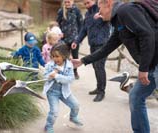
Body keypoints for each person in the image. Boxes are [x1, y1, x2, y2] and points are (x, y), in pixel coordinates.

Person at [72, 0, 158, 132]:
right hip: (151, 63)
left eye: (100, 10)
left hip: (153, 63)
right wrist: (83, 61)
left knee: (136, 96)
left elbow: (147, 35)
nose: (99, 14)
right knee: (135, 96)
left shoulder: (126, 11)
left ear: (109, 3)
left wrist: (143, 68)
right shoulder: (118, 22)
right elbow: (107, 48)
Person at [71, 0, 110, 102]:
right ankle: (98, 87)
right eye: (85, 4)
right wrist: (77, 41)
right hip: (92, 44)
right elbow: (84, 29)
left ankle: (102, 92)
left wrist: (104, 17)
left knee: (99, 66)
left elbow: (112, 18)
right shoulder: (88, 14)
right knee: (95, 66)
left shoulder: (102, 9)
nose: (86, 5)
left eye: (88, 2)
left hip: (102, 44)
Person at [43, 43, 83, 133]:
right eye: (53, 56)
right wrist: (49, 76)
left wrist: (57, 76)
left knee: (75, 105)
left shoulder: (69, 65)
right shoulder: (50, 65)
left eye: (57, 56)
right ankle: (48, 126)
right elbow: (44, 77)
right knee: (54, 112)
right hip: (52, 92)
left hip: (65, 91)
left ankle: (73, 117)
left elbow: (70, 79)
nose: (55, 59)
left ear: (64, 56)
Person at [57, 0, 83, 79]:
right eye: (66, 2)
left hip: (75, 39)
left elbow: (81, 24)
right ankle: (66, 71)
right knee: (65, 55)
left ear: (72, 2)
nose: (67, 4)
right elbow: (58, 23)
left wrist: (79, 37)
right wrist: (59, 32)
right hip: (64, 39)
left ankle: (75, 72)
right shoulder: (61, 11)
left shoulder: (77, 10)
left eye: (69, 2)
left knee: (75, 56)